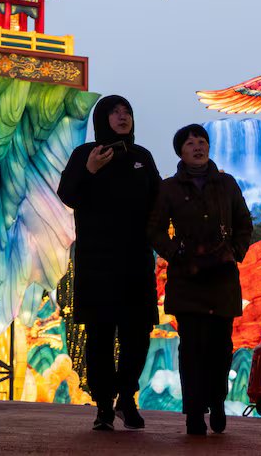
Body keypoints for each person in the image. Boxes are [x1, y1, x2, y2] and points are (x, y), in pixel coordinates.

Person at [57, 95, 162, 431]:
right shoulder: (84, 154)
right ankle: (104, 405)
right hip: (97, 261)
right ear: (102, 118)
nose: (122, 116)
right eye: (114, 112)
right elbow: (68, 194)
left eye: (127, 111)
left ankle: (126, 397)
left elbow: (159, 202)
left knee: (138, 334)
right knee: (100, 335)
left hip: (136, 260)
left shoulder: (142, 157)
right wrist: (89, 171)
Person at [148, 124, 252, 436]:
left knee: (221, 347)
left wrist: (235, 252)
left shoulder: (226, 184)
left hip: (222, 278)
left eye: (202, 141)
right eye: (190, 143)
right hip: (188, 278)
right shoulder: (169, 188)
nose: (197, 146)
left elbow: (244, 222)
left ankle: (216, 402)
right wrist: (175, 253)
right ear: (180, 152)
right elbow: (154, 229)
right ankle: (194, 412)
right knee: (191, 348)